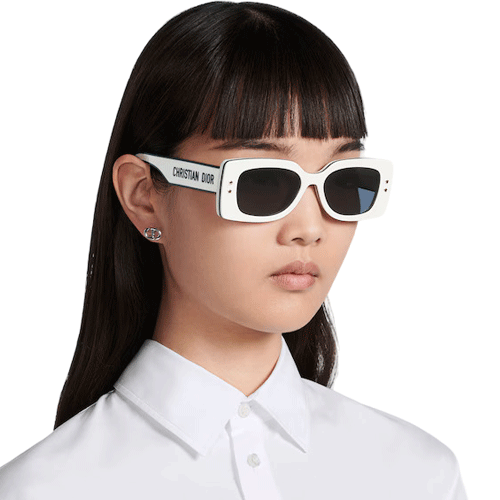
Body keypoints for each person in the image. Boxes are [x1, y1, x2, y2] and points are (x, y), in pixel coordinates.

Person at [0, 2, 467, 499]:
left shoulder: (420, 476)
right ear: (144, 195)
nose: (310, 229)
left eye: (344, 181)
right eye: (263, 183)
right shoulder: (43, 489)